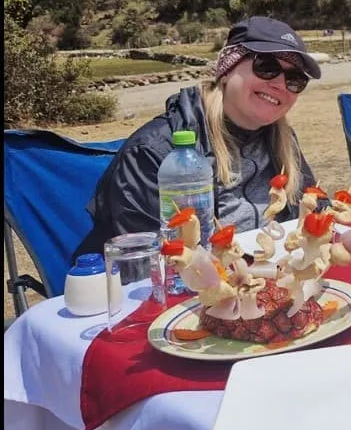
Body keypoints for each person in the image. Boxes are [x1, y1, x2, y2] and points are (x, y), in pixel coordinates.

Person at [74, 16, 321, 260]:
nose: (280, 84)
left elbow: (313, 211)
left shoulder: (282, 139)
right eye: (267, 67)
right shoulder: (154, 153)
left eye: (295, 79)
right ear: (226, 70)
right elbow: (150, 263)